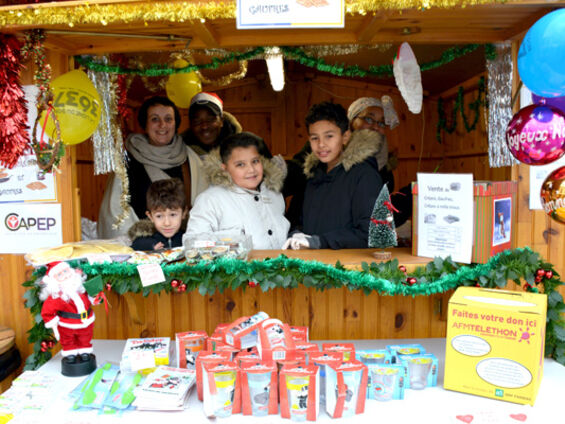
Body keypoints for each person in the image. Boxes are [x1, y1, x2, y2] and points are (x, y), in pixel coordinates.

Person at [98, 96, 207, 239]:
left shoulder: (190, 158)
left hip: (183, 243)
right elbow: (115, 211)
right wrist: (142, 243)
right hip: (142, 246)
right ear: (145, 124)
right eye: (155, 119)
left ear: (176, 124)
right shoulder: (127, 159)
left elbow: (204, 203)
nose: (162, 125)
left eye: (168, 119)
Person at [283, 101, 384, 250]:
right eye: (314, 138)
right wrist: (296, 233)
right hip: (311, 267)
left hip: (347, 270)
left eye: (329, 136)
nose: (321, 144)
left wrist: (320, 241)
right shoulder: (311, 176)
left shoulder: (365, 176)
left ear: (345, 137)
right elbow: (297, 220)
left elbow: (371, 234)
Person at [185, 132, 290, 249]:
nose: (251, 170)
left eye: (255, 161)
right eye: (240, 165)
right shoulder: (210, 200)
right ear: (224, 169)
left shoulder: (274, 194)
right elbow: (193, 245)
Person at [348, 96, 412, 228]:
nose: (376, 127)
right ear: (351, 121)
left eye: (382, 123)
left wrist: (412, 195)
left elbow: (378, 215)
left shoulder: (384, 168)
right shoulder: (333, 157)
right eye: (368, 119)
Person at [39, 261, 96, 364]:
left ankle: (85, 351)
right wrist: (53, 323)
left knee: (86, 337)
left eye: (66, 271)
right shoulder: (56, 297)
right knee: (67, 340)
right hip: (67, 324)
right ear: (54, 280)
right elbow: (47, 311)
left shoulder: (80, 286)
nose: (65, 275)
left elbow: (91, 297)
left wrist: (95, 298)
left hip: (86, 321)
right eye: (60, 274)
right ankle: (70, 353)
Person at [128, 178, 188, 251]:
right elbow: (133, 248)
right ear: (150, 216)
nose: (167, 223)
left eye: (173, 215)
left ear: (184, 213)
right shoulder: (144, 240)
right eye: (159, 216)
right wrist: (150, 247)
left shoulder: (189, 238)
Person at [181, 92, 242, 157]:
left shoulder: (243, 149)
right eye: (197, 121)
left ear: (221, 121)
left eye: (210, 120)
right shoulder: (180, 156)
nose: (204, 126)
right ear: (191, 125)